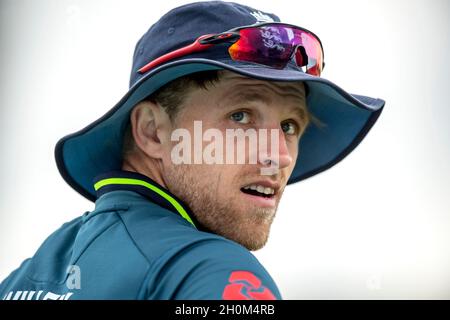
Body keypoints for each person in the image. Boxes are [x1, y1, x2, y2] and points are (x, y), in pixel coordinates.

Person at [0, 1, 384, 300]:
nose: (279, 156)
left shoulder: (26, 275)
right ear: (152, 132)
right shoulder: (216, 272)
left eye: (289, 126)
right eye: (241, 116)